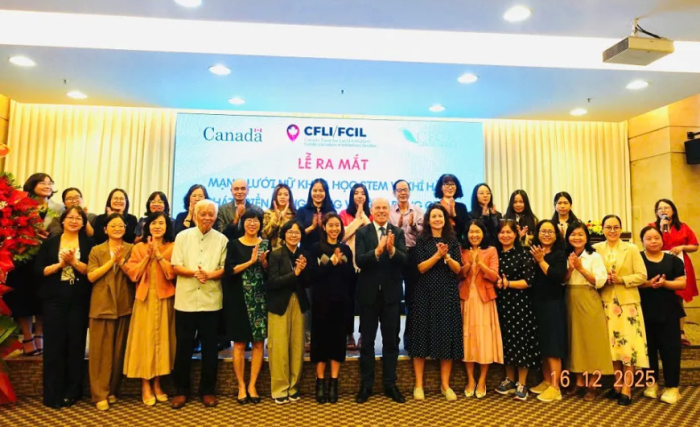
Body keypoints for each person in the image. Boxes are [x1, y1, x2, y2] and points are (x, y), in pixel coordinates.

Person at [170, 200, 228, 409]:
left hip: (211, 302)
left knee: (210, 350)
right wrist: (195, 273)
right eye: (203, 214)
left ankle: (208, 391)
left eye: (211, 214)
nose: (207, 218)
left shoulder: (222, 239)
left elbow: (224, 268)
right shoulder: (182, 237)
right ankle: (181, 391)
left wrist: (209, 275)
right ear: (195, 215)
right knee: (183, 348)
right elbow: (175, 266)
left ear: (216, 216)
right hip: (185, 301)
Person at [34, 206, 93, 409]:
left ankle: (72, 392)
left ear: (83, 223)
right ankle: (53, 393)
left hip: (79, 300)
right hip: (54, 300)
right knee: (54, 347)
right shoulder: (51, 243)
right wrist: (60, 265)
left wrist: (74, 262)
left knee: (75, 346)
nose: (74, 221)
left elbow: (92, 272)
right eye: (70, 217)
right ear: (63, 220)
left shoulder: (89, 243)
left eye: (78, 218)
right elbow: (39, 270)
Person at [354, 198, 407, 404]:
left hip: (391, 296)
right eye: (378, 208)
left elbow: (404, 260)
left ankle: (390, 384)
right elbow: (359, 260)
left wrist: (392, 250)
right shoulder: (362, 232)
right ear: (371, 210)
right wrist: (377, 251)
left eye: (385, 207)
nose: (382, 211)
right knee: (367, 342)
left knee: (391, 342)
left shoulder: (398, 232)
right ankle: (366, 386)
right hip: (368, 295)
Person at [407, 204, 462, 401]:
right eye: (434, 216)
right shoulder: (421, 241)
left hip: (447, 293)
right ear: (428, 220)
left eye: (440, 216)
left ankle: (445, 385)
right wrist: (438, 255)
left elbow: (458, 269)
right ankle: (418, 384)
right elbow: (420, 268)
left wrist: (447, 256)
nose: (437, 219)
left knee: (446, 337)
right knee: (421, 337)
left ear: (445, 220)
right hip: (425, 292)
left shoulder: (452, 241)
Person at [6, 173, 63, 357]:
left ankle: (40, 334)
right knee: (22, 297)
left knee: (42, 297)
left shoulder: (58, 208)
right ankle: (27, 337)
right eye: (42, 182)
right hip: (23, 258)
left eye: (50, 183)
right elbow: (10, 227)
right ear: (32, 185)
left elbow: (61, 232)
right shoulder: (19, 204)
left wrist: (49, 237)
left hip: (45, 258)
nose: (47, 186)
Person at [594, 214, 649, 406]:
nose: (612, 231)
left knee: (629, 347)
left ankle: (627, 388)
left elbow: (642, 275)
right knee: (613, 346)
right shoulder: (596, 249)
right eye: (608, 227)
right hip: (606, 302)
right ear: (602, 229)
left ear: (621, 229)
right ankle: (617, 384)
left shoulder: (631, 248)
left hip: (627, 304)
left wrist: (622, 280)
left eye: (616, 227)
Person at [123, 212, 177, 406]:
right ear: (148, 226)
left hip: (165, 299)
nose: (157, 226)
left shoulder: (172, 247)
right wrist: (147, 256)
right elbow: (133, 275)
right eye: (153, 223)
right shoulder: (138, 247)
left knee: (161, 342)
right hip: (144, 299)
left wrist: (159, 256)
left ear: (167, 226)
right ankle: (145, 385)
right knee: (144, 342)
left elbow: (172, 274)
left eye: (161, 223)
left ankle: (157, 384)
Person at [87, 213, 134, 411]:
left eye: (121, 225)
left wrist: (121, 262)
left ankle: (112, 390)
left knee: (118, 352)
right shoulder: (97, 250)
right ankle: (99, 394)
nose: (117, 228)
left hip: (124, 304)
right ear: (105, 229)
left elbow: (134, 276)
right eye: (113, 225)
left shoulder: (131, 249)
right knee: (100, 352)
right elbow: (91, 276)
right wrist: (112, 260)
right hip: (102, 305)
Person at [563, 221, 613, 402]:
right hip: (570, 298)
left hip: (589, 298)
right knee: (575, 341)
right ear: (568, 237)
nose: (576, 238)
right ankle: (579, 382)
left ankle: (593, 384)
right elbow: (561, 280)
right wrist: (570, 268)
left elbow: (600, 281)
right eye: (573, 234)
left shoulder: (594, 256)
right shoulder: (565, 255)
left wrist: (581, 268)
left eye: (580, 234)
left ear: (586, 237)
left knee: (592, 342)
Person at [223, 210, 269, 404]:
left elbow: (269, 273)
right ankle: (241, 385)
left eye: (256, 220)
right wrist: (250, 262)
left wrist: (264, 263)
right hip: (239, 298)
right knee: (240, 343)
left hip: (259, 299)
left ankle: (252, 385)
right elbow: (228, 271)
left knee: (258, 343)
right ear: (243, 223)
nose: (252, 223)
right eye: (248, 220)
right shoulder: (234, 244)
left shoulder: (265, 244)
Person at [309, 213, 355, 404]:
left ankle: (334, 383)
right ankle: (320, 382)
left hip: (340, 302)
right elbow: (313, 275)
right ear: (324, 227)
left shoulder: (345, 249)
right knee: (320, 342)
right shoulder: (316, 248)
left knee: (337, 342)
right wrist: (331, 263)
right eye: (331, 225)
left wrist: (341, 263)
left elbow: (351, 276)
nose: (334, 229)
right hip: (321, 302)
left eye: (337, 225)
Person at [493, 220, 539, 401]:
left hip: (520, 304)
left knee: (520, 341)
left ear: (515, 234)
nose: (505, 235)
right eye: (502, 232)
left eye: (509, 232)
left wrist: (508, 284)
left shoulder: (523, 254)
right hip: (501, 303)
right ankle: (510, 379)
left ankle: (522, 382)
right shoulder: (496, 254)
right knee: (506, 341)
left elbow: (528, 281)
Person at [639, 226, 686, 404]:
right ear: (642, 241)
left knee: (670, 350)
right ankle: (651, 384)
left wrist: (665, 283)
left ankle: (672, 387)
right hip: (644, 310)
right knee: (648, 350)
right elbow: (633, 281)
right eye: (648, 238)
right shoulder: (637, 259)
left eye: (656, 238)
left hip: (669, 311)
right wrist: (648, 283)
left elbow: (682, 283)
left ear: (662, 240)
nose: (653, 241)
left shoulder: (673, 260)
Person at [267, 220, 310, 404]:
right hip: (279, 304)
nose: (294, 235)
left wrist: (304, 271)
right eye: (290, 232)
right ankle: (279, 389)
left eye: (297, 232)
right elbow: (273, 282)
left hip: (299, 302)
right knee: (279, 347)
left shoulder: (303, 254)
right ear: (284, 235)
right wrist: (296, 273)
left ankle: (293, 387)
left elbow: (307, 283)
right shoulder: (276, 254)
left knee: (297, 346)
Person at [460, 219, 503, 399]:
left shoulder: (491, 250)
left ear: (483, 233)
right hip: (466, 299)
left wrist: (480, 263)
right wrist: (469, 264)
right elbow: (457, 274)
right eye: (471, 232)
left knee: (484, 339)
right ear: (467, 234)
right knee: (467, 338)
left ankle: (483, 379)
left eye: (477, 231)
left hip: (484, 300)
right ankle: (470, 379)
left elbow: (494, 276)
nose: (474, 235)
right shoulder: (462, 250)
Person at [528, 220, 568, 403]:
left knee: (553, 346)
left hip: (553, 303)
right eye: (543, 231)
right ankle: (546, 381)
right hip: (536, 302)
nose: (546, 234)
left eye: (550, 231)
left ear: (556, 234)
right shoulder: (533, 251)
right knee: (543, 345)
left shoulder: (559, 254)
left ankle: (555, 387)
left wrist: (541, 261)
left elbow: (557, 276)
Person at [650, 199, 698, 347]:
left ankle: (680, 332)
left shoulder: (683, 227)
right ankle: (660, 332)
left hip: (680, 263)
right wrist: (661, 228)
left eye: (666, 207)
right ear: (656, 212)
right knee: (660, 297)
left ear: (673, 210)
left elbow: (695, 245)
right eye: (660, 208)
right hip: (659, 264)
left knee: (679, 298)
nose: (663, 210)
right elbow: (648, 244)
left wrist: (682, 247)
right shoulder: (652, 227)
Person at [296, 178, 337, 349]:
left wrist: (324, 227)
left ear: (326, 193)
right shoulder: (302, 211)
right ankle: (308, 337)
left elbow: (336, 233)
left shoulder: (331, 211)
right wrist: (312, 227)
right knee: (308, 299)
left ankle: (325, 335)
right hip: (307, 259)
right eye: (315, 190)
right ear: (310, 192)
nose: (318, 193)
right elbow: (296, 234)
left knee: (325, 299)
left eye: (321, 190)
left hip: (327, 259)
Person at [389, 179, 424, 350]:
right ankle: (393, 340)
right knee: (394, 298)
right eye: (399, 190)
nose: (403, 192)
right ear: (394, 193)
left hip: (413, 253)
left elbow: (424, 234)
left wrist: (413, 226)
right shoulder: (389, 211)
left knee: (412, 298)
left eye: (405, 189)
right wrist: (397, 227)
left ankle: (410, 340)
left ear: (409, 191)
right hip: (395, 255)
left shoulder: (418, 211)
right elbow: (385, 233)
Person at [338, 183, 371, 350]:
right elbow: (342, 236)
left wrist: (363, 217)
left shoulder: (372, 214)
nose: (359, 196)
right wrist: (358, 221)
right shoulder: (343, 214)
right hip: (348, 263)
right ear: (351, 196)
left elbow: (372, 233)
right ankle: (348, 334)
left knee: (366, 301)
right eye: (356, 193)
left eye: (362, 193)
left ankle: (364, 334)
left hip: (366, 263)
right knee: (348, 300)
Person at [434, 174, 469, 243]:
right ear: (441, 187)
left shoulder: (462, 207)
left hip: (458, 244)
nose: (450, 187)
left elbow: (466, 229)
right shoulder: (435, 206)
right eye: (447, 184)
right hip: (438, 243)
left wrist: (454, 216)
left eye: (453, 184)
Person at [262, 183, 297, 250]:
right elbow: (264, 236)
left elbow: (295, 235)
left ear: (290, 197)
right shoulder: (267, 213)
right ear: (275, 196)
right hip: (270, 251)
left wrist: (283, 219)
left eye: (286, 194)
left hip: (289, 250)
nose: (282, 197)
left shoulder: (294, 214)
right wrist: (276, 219)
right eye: (279, 194)